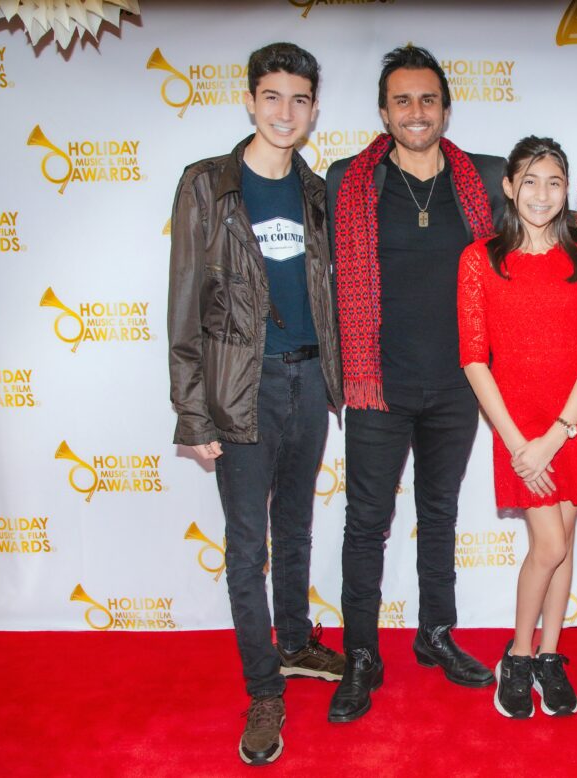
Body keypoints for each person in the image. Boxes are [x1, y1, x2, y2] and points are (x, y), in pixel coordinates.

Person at [167, 42, 344, 766]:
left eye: (299, 100)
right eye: (272, 97)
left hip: (309, 381)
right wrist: (192, 413)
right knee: (248, 547)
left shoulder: (316, 190)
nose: (285, 112)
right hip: (242, 389)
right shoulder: (208, 184)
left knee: (297, 523)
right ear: (248, 100)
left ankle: (297, 641)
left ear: (312, 109)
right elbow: (184, 303)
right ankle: (264, 687)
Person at [324, 44, 506, 723]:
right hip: (377, 385)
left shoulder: (483, 181)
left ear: (446, 109)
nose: (416, 111)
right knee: (366, 523)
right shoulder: (351, 181)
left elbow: (550, 213)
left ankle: (436, 633)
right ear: (383, 111)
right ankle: (362, 656)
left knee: (440, 512)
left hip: (459, 384)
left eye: (428, 99)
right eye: (402, 100)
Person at [458, 136, 577, 718]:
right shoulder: (479, 259)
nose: (542, 195)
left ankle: (549, 654)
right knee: (548, 543)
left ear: (567, 190)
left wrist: (557, 434)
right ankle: (517, 657)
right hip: (517, 429)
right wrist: (521, 442)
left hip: (572, 423)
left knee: (563, 542)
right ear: (508, 186)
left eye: (554, 182)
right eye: (530, 181)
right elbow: (474, 358)